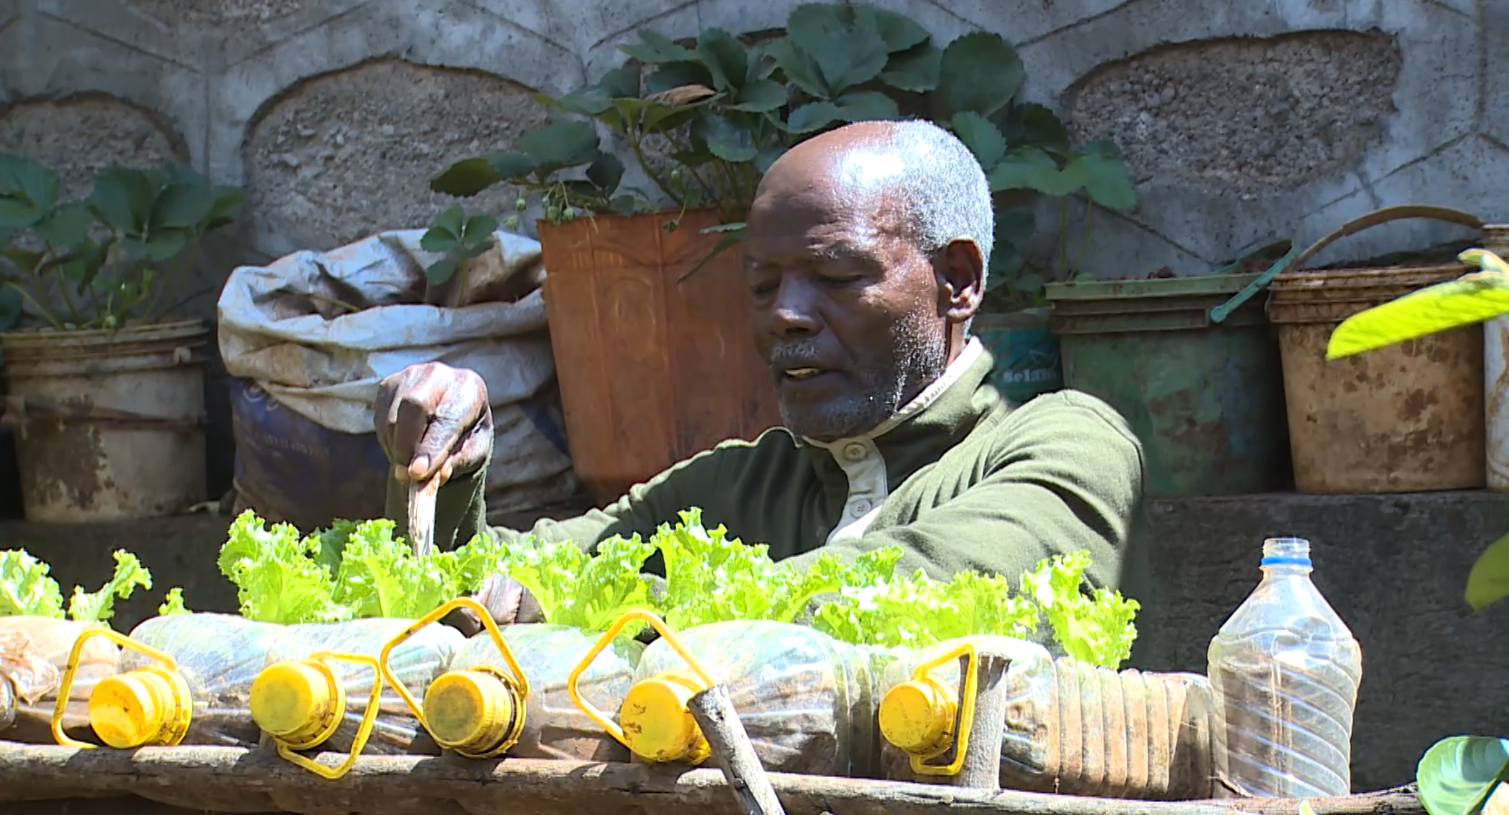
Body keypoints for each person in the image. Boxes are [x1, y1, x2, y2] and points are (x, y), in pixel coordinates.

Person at [375, 119, 1149, 631]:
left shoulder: (1067, 445)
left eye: (836, 276)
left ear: (957, 280)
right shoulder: (733, 488)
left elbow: (911, 590)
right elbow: (488, 585)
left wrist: (609, 613)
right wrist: (451, 470)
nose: (784, 314)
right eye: (760, 285)